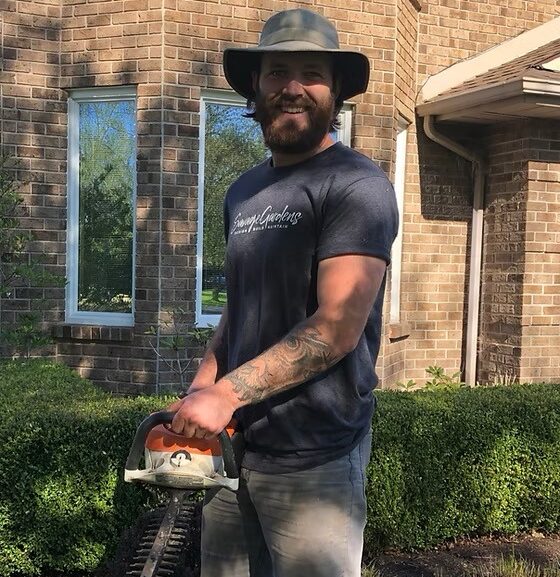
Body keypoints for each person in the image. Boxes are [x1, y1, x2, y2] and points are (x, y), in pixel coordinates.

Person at [168, 8, 398, 577]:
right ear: (256, 86)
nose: (291, 88)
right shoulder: (243, 191)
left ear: (336, 90)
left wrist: (226, 395)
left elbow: (339, 325)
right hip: (233, 445)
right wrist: (204, 386)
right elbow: (241, 307)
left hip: (312, 460)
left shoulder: (355, 185)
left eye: (311, 73)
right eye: (276, 72)